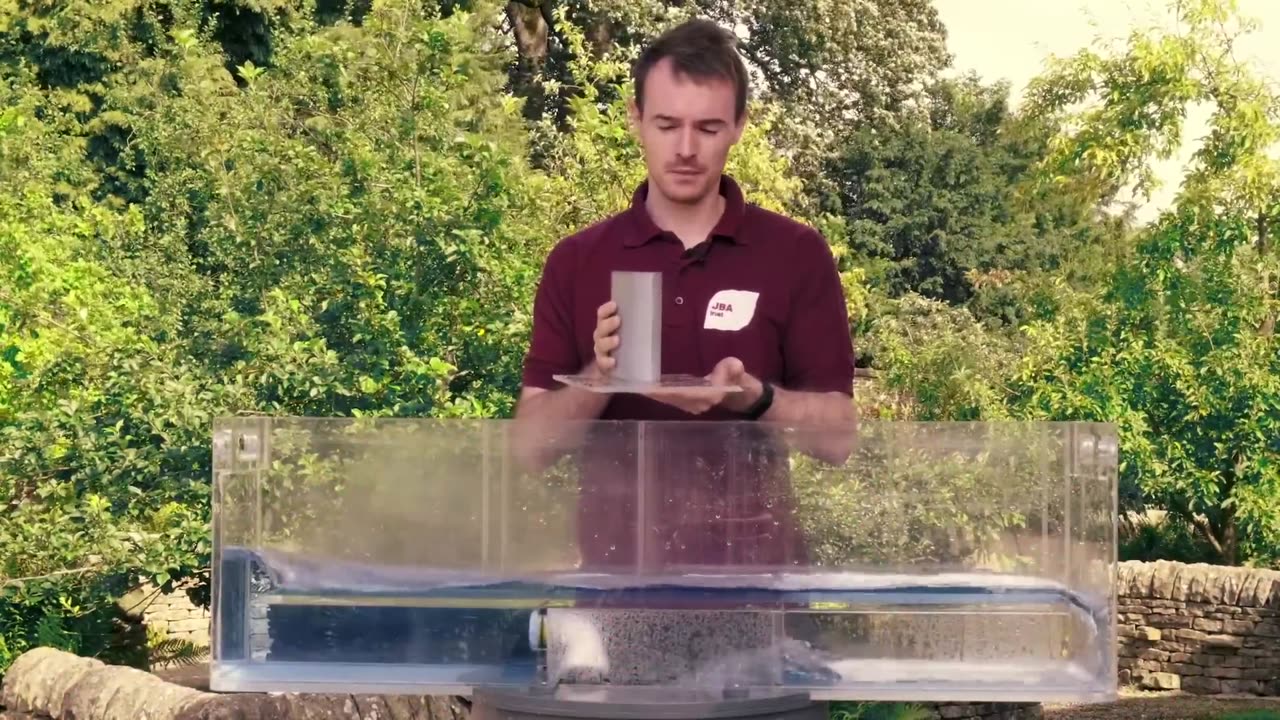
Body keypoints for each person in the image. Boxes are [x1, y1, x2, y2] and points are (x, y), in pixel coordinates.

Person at [512, 18, 856, 572]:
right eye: (668, 124)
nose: (687, 149)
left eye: (709, 127)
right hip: (618, 593)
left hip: (759, 592)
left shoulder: (795, 254)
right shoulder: (577, 260)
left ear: (740, 126)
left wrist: (756, 397)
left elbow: (838, 439)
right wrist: (602, 374)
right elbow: (529, 449)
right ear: (636, 119)